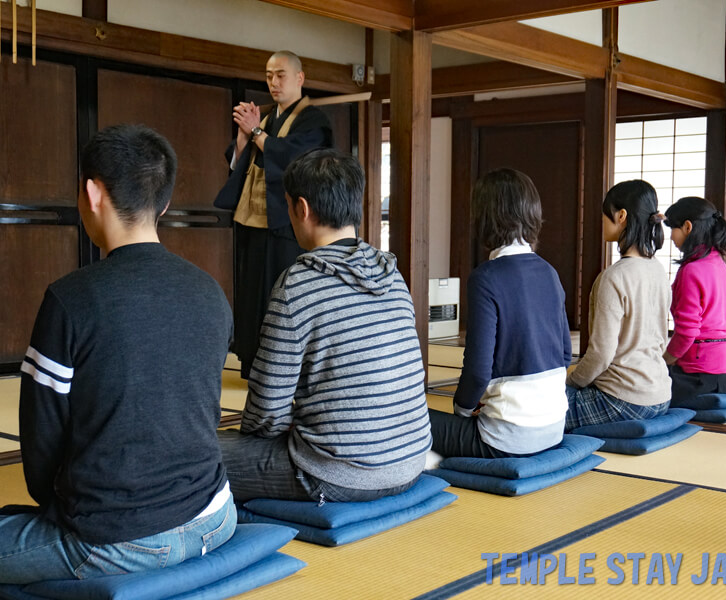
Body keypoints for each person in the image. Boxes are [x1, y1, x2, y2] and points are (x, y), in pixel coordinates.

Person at [0, 124, 235, 583]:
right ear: (163, 203)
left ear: (92, 193)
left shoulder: (71, 299)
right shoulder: (210, 291)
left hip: (116, 542)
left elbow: (40, 444)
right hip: (216, 518)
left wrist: (58, 508)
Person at [218, 148, 431, 504]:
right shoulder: (392, 274)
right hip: (410, 462)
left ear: (301, 208)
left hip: (336, 475)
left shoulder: (298, 283)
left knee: (193, 459)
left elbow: (265, 413)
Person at [427, 169, 571, 461]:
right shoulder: (549, 272)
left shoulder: (486, 278)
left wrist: (463, 409)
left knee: (409, 418)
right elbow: (566, 355)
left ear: (483, 218)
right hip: (555, 428)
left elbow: (479, 369)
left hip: (506, 439)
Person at [215, 50, 334, 379]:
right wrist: (243, 139)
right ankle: (253, 363)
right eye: (269, 75)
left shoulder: (313, 120)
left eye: (281, 74)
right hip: (254, 224)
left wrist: (255, 133)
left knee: (281, 294)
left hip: (288, 228)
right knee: (252, 295)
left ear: (300, 78)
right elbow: (243, 163)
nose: (273, 82)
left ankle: (284, 369)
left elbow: (296, 156)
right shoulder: (266, 119)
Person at [565, 179, 671, 430]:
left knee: (535, 410)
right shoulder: (658, 269)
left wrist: (572, 381)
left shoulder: (614, 277)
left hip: (622, 401)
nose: (601, 220)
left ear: (621, 215)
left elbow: (601, 354)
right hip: (661, 395)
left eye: (605, 214)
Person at [662, 197, 726, 402]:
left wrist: (664, 361)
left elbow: (687, 332)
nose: (671, 237)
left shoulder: (691, 270)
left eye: (673, 228)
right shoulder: (720, 264)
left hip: (702, 377)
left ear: (687, 227)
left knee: (643, 388)